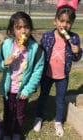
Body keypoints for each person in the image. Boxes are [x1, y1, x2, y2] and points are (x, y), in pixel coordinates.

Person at [33, 0, 82, 137]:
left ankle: (58, 121)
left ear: (71, 24)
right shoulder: (48, 36)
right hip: (47, 74)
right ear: (55, 21)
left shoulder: (74, 38)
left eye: (68, 22)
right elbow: (40, 54)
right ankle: (38, 117)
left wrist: (77, 51)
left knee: (60, 99)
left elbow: (76, 58)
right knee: (43, 96)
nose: (64, 25)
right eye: (61, 21)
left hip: (62, 76)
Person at [0, 11, 44, 140]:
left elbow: (37, 72)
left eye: (26, 27)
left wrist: (28, 89)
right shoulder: (6, 45)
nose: (23, 31)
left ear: (30, 29)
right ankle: (7, 133)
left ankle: (16, 133)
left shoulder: (36, 49)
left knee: (20, 114)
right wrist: (5, 62)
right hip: (8, 89)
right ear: (12, 30)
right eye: (18, 27)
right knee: (8, 113)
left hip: (23, 90)